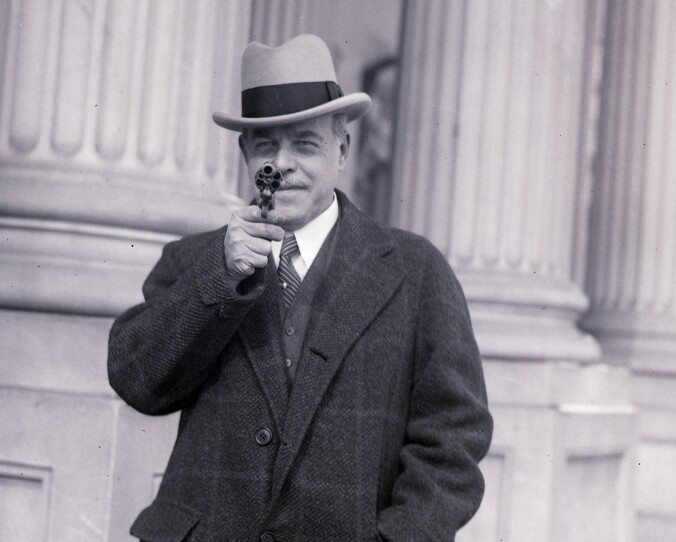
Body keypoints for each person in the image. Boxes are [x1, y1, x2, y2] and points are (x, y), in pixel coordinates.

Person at [108, 34, 492, 542]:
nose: (282, 163)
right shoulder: (194, 261)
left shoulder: (415, 271)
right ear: (246, 152)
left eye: (304, 143)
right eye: (266, 143)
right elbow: (137, 381)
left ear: (342, 149)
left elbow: (453, 440)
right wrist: (219, 278)